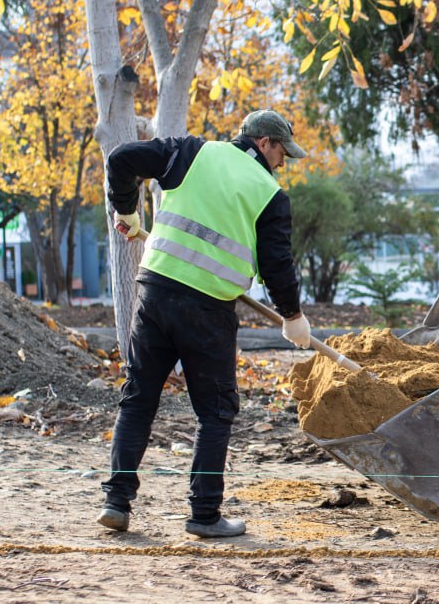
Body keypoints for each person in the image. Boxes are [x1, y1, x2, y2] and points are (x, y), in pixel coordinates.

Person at [98, 110, 313, 538]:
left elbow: (121, 159)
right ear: (266, 143)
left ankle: (116, 502)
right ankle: (204, 515)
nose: (283, 162)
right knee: (215, 412)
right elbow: (277, 264)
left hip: (154, 294)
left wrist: (128, 210)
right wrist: (293, 316)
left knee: (138, 399)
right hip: (208, 309)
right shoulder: (270, 193)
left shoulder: (191, 152)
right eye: (282, 153)